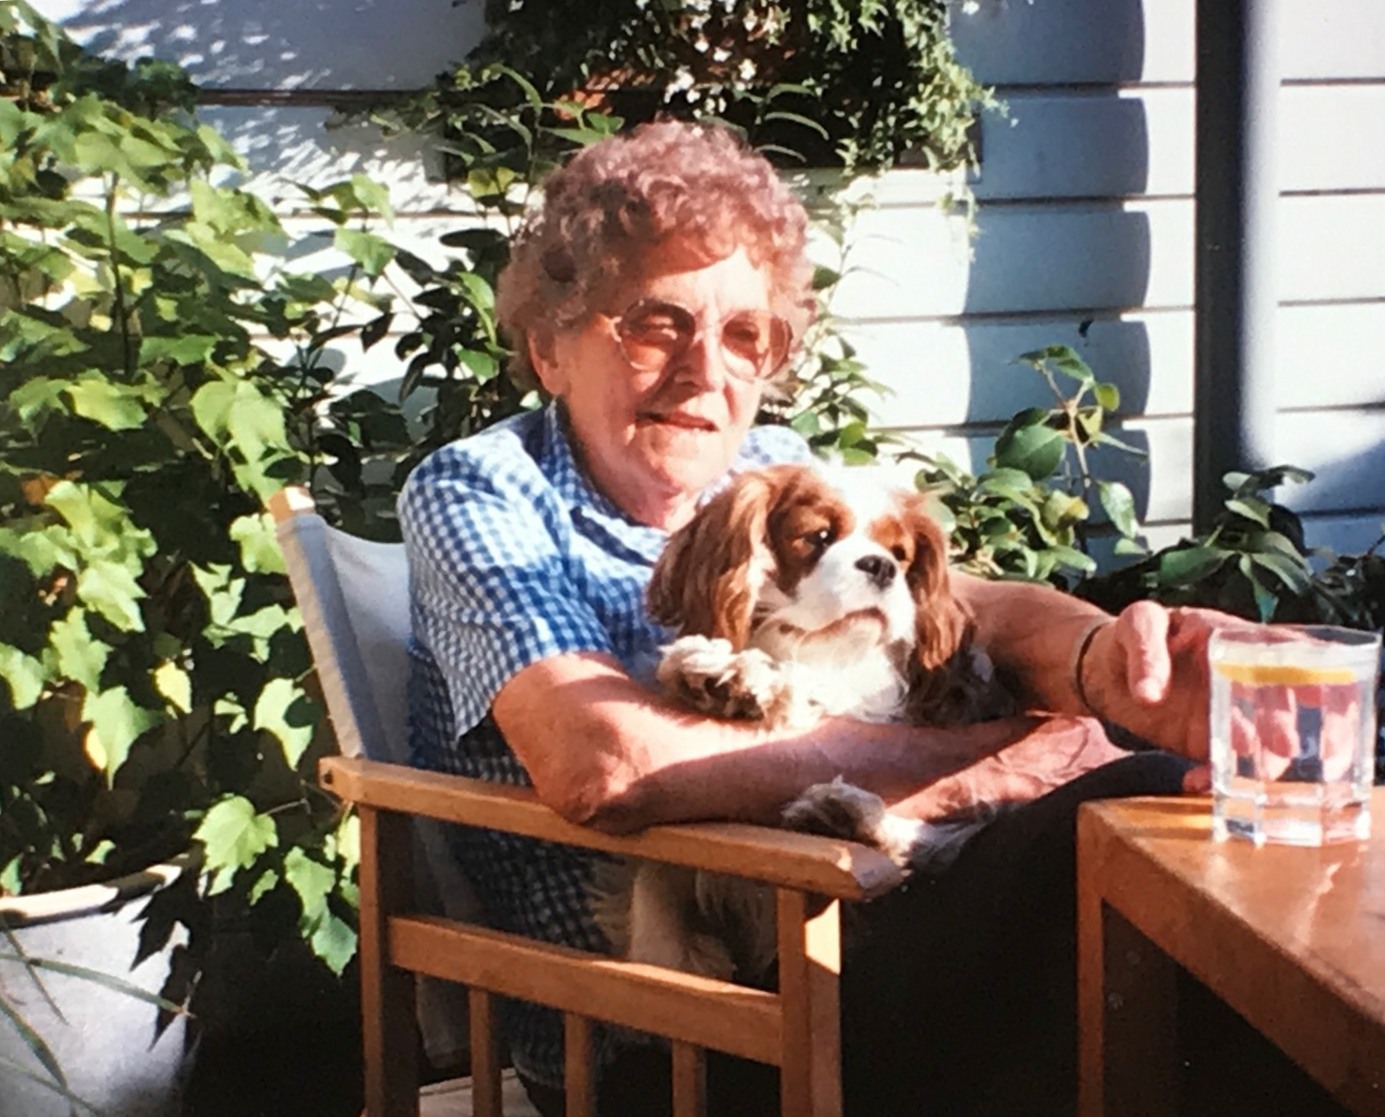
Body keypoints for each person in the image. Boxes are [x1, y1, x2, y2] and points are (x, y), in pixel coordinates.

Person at [398, 119, 1242, 1117]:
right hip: (663, 1023)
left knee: (1167, 844)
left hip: (854, 940)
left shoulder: (771, 468)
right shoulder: (484, 489)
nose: (705, 371)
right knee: (1128, 834)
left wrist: (1110, 661)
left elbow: (960, 603)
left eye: (745, 334)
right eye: (657, 322)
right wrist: (974, 771)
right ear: (550, 344)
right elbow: (605, 764)